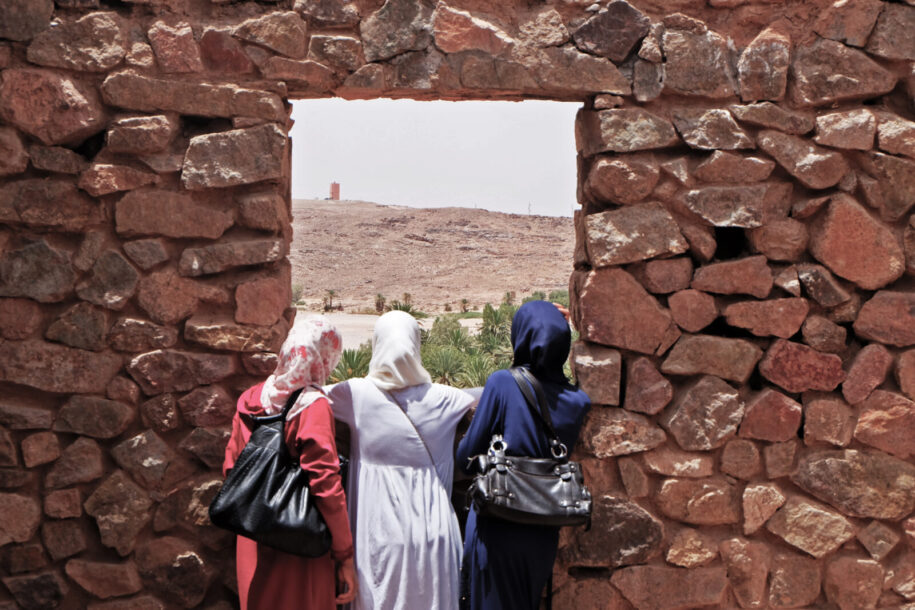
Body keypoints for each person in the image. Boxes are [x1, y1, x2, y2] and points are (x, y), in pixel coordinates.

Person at [325, 310, 477, 610]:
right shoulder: (447, 399)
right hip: (435, 536)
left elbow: (304, 396)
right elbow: (488, 398)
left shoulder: (355, 395)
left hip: (377, 535)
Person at [456, 300, 591, 610]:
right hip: (543, 531)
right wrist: (567, 327)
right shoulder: (578, 401)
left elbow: (466, 457)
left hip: (499, 524)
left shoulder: (503, 383)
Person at [223, 316, 357, 610]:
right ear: (324, 357)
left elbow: (231, 468)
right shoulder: (312, 406)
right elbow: (326, 486)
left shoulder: (251, 399)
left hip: (253, 533)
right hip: (296, 542)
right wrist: (344, 553)